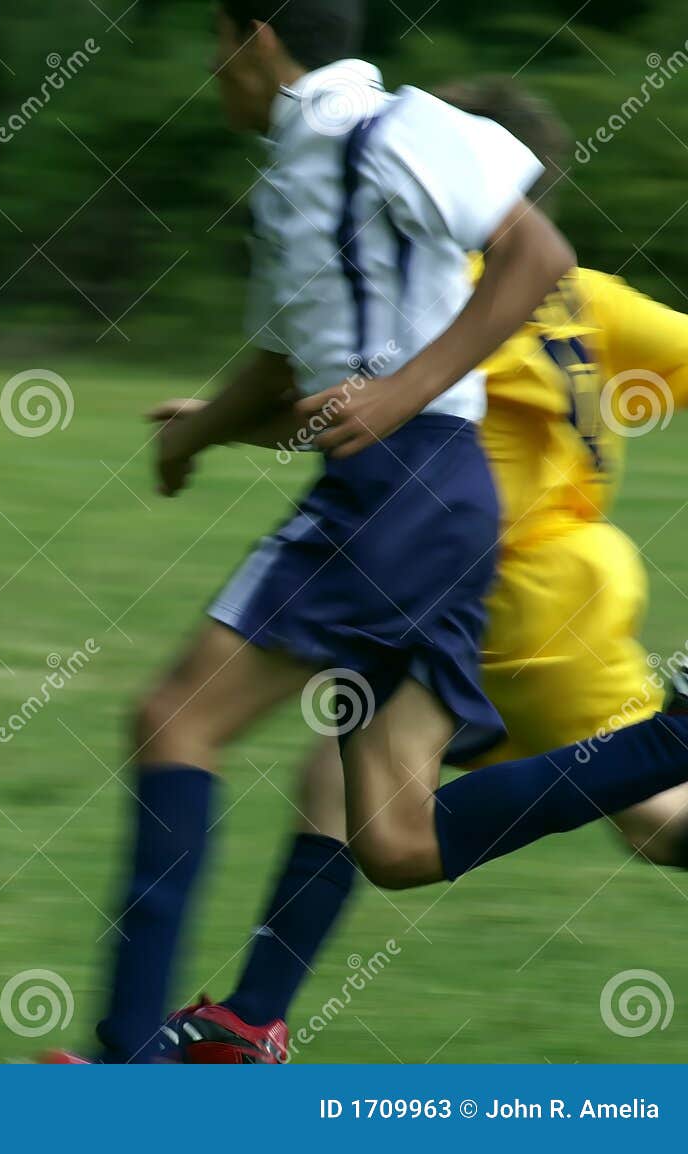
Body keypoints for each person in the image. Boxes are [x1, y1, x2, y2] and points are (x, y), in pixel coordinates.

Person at [75, 0, 688, 1067]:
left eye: (217, 39)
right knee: (396, 833)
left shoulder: (418, 221)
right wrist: (206, 431)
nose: (210, 62)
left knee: (181, 720)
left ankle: (140, 1063)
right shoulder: (591, 301)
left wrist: (387, 391)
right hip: (548, 564)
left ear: (255, 37)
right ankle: (241, 1024)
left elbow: (377, 382)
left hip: (472, 550)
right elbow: (304, 372)